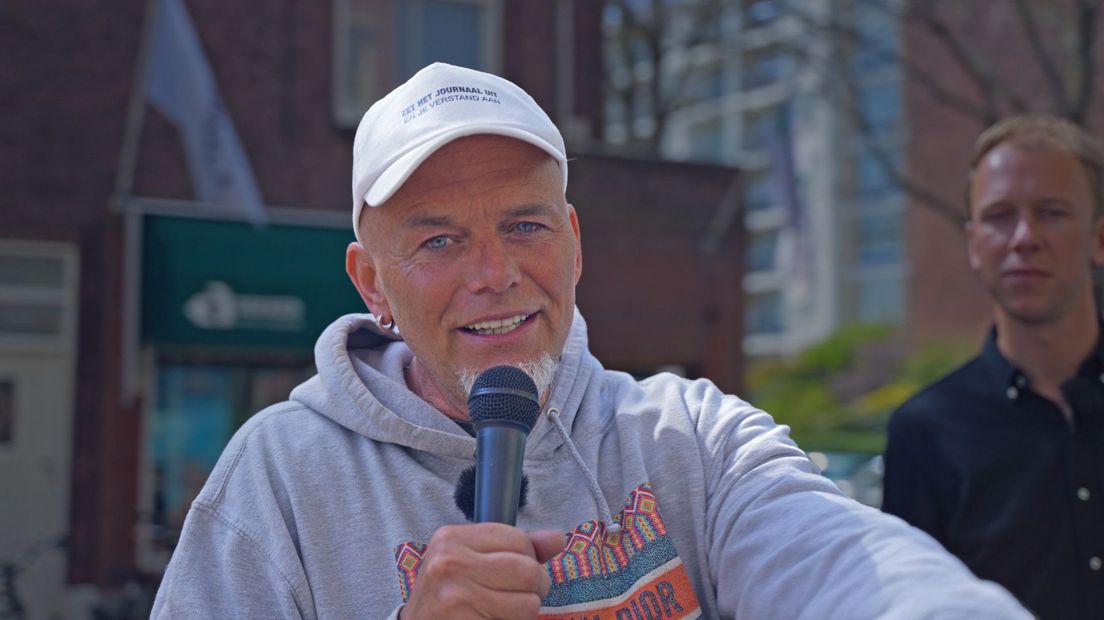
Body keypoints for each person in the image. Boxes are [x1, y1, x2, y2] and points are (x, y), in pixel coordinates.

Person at [151, 62, 1028, 619]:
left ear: (575, 242)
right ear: (371, 282)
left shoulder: (692, 439)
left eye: (525, 225)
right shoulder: (279, 480)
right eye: (438, 240)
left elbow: (851, 570)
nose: (494, 273)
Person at [882, 114, 1104, 619]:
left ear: (1099, 240)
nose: (1024, 237)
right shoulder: (926, 433)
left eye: (1051, 212)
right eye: (1000, 215)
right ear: (974, 243)